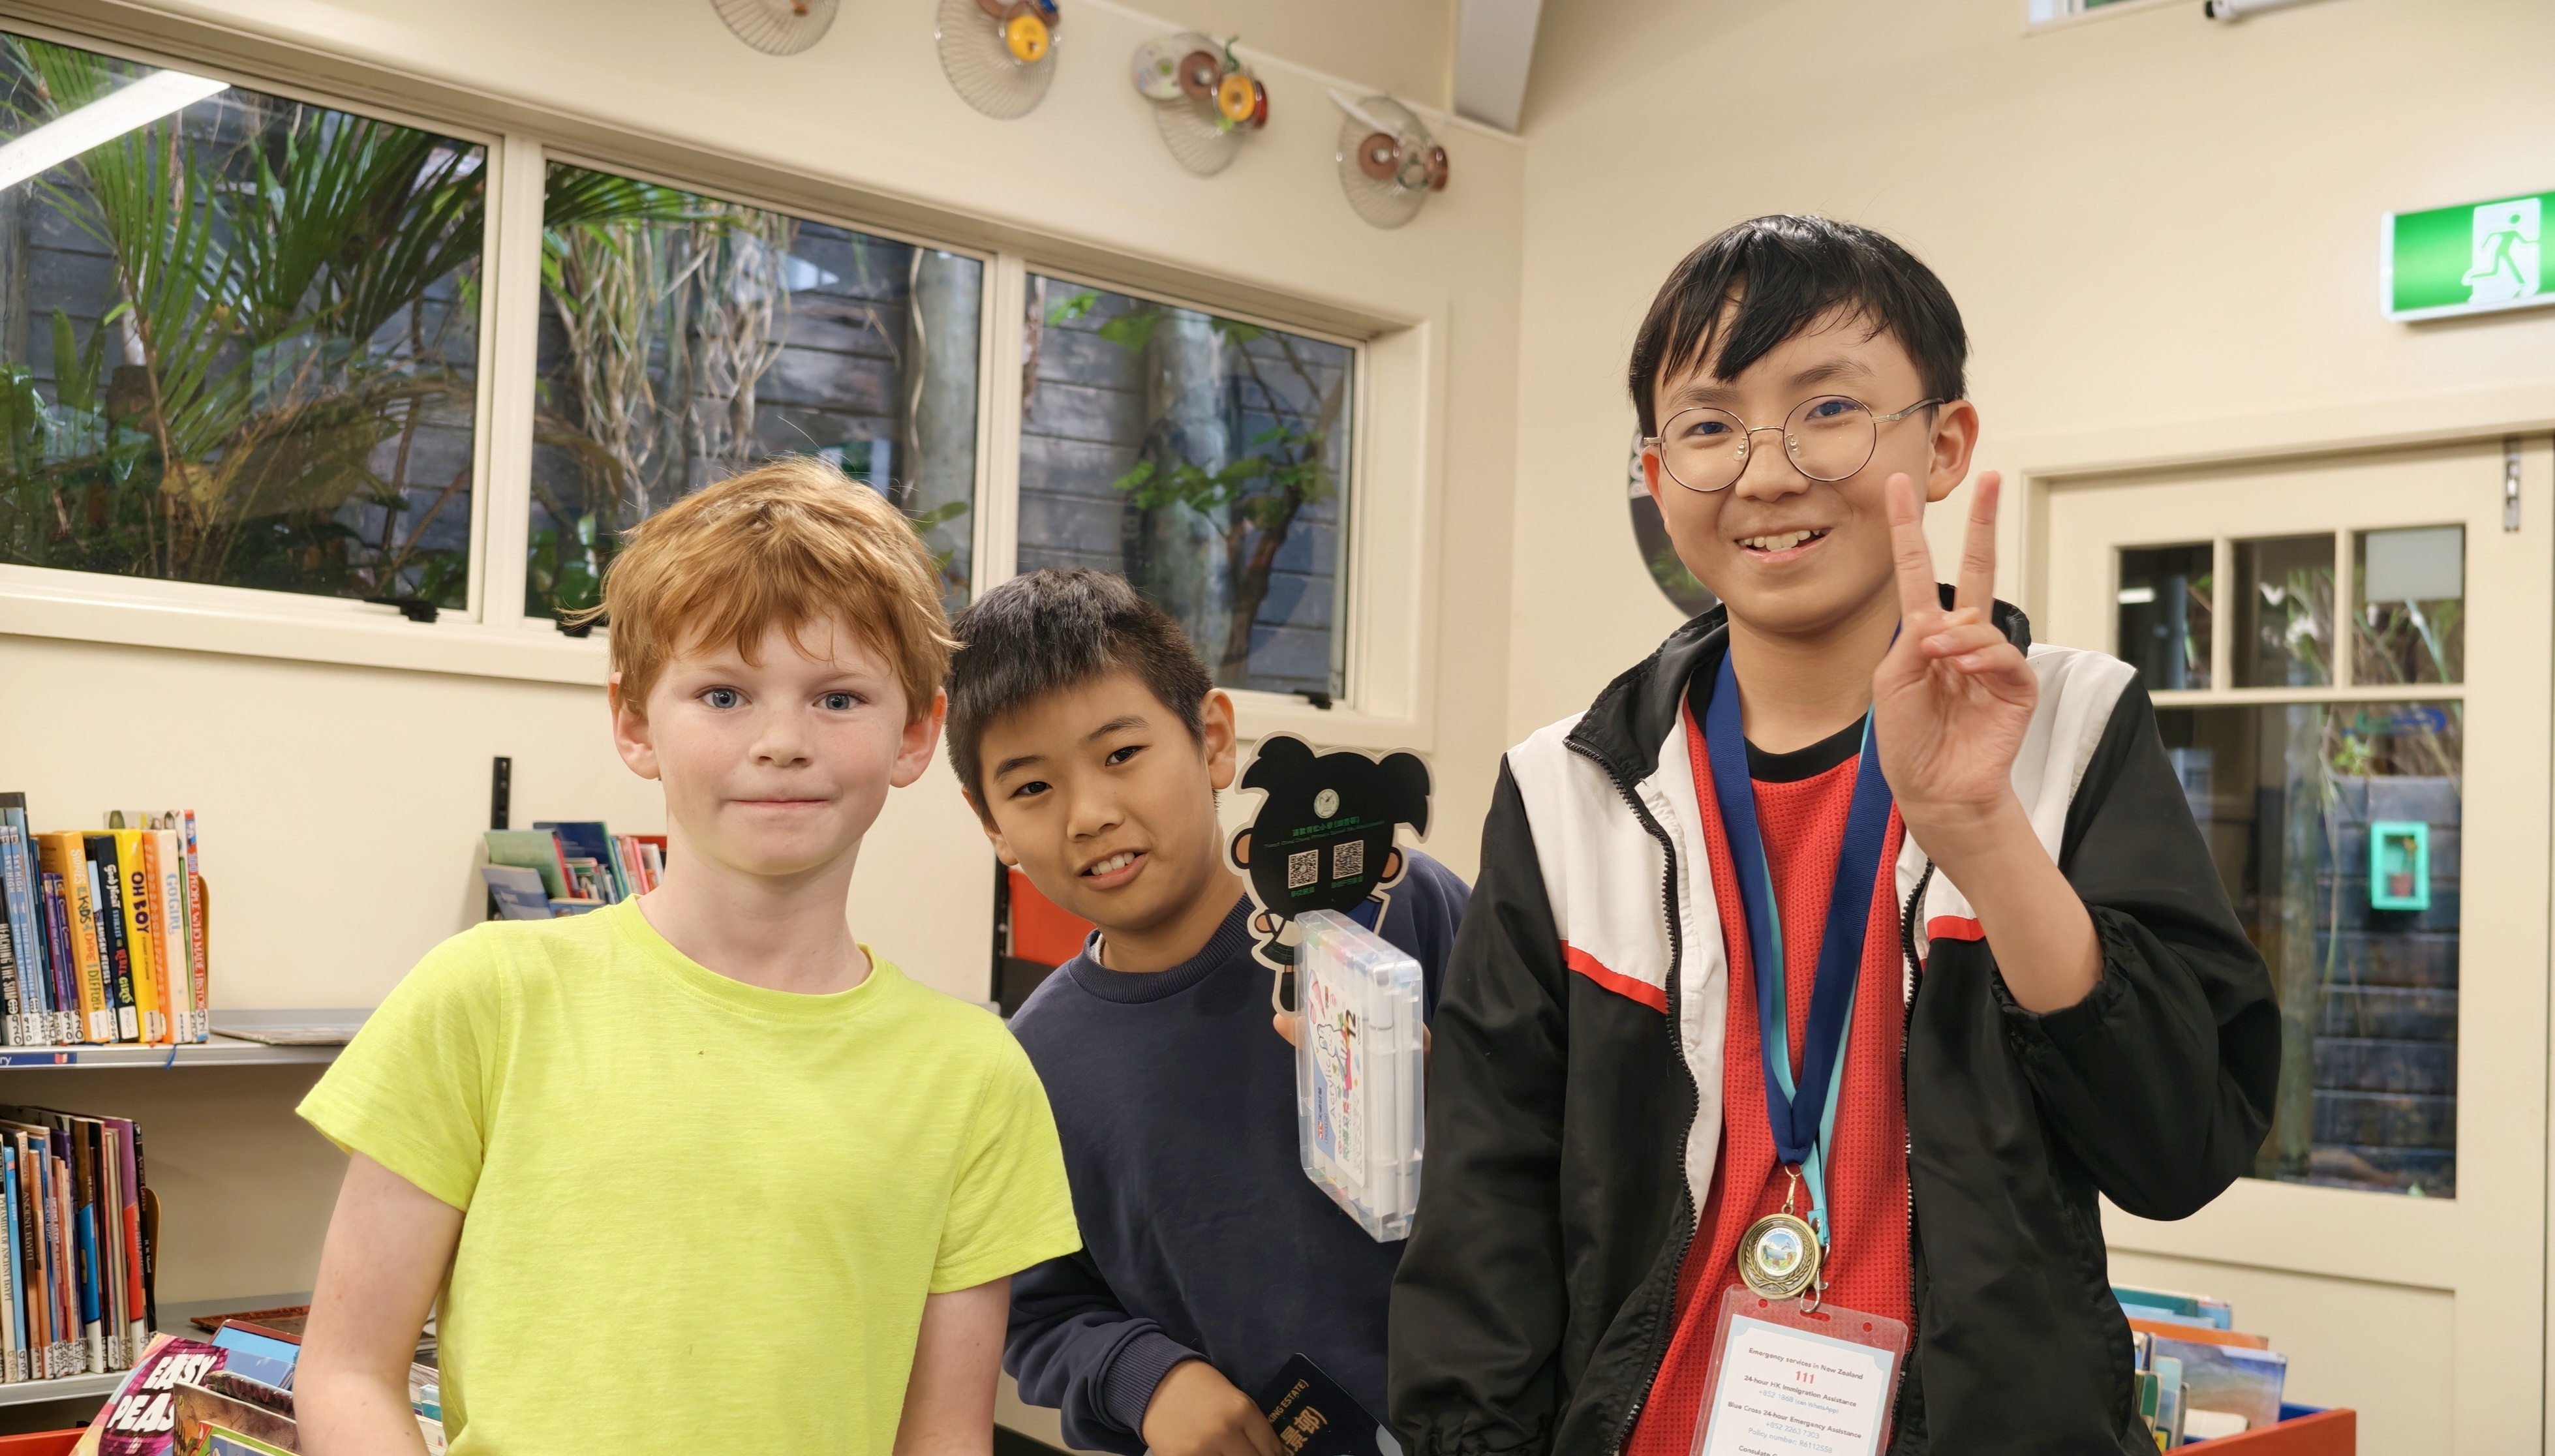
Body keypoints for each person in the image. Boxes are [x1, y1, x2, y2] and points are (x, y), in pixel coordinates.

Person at [1388, 216, 2280, 1454]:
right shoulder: (1568, 791)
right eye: (1710, 425)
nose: (1766, 473)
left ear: (1945, 442)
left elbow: (2180, 1150)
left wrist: (1984, 832)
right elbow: (1484, 1210)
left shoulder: (2069, 728)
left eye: (1828, 411)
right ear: (1658, 476)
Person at [295, 461, 1080, 1455]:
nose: (782, 741)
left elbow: (944, 1439)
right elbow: (348, 1374)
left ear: (918, 734)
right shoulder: (486, 998)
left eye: (839, 699)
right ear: (635, 723)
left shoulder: (974, 1076)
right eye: (723, 694)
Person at [950, 569, 1469, 1456]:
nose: (1091, 815)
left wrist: (1457, 1106)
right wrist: (1146, 1379)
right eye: (1032, 788)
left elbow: (1570, 1134)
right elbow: (1037, 1309)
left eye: (1122, 754)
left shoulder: (1394, 906)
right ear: (990, 822)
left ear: (1214, 741)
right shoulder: (1027, 1067)